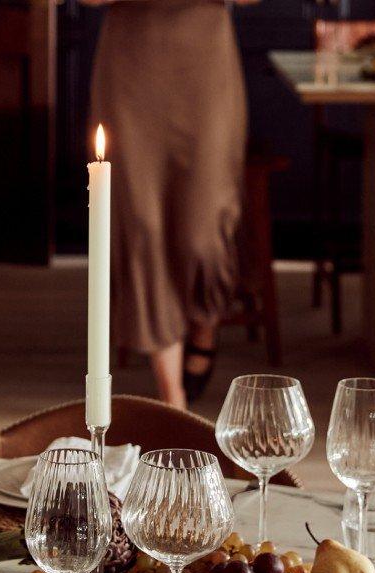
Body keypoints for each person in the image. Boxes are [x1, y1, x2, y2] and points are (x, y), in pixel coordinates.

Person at [86, 0, 255, 408]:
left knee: (203, 232)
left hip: (205, 65)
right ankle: (171, 397)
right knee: (143, 225)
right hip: (130, 65)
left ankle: (204, 325)